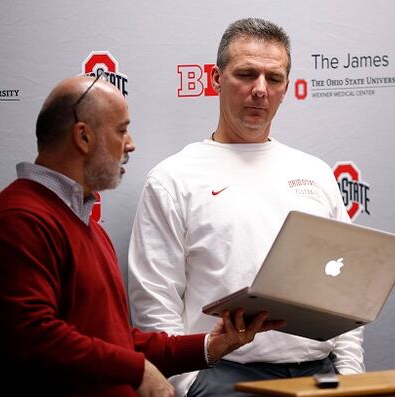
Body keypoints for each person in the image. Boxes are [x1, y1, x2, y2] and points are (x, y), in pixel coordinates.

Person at [0, 74, 281, 397]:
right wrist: (136, 368)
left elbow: (114, 342)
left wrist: (209, 346)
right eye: (121, 130)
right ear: (83, 137)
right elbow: (32, 339)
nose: (130, 144)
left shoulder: (83, 223)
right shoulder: (18, 220)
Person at [128, 17, 365, 397]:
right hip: (224, 378)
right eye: (246, 74)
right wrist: (188, 384)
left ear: (287, 87)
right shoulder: (174, 178)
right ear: (216, 78)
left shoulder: (315, 173)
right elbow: (155, 302)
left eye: (274, 79)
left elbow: (345, 289)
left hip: (322, 375)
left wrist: (350, 372)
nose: (260, 90)